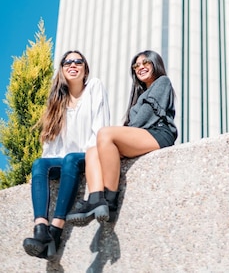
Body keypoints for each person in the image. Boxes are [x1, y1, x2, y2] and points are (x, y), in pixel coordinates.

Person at [66, 49, 177, 225]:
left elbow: (146, 116)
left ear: (155, 64)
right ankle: (96, 199)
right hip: (143, 135)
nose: (140, 67)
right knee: (93, 151)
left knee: (105, 133)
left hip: (159, 134)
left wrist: (122, 134)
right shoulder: (139, 94)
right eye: (136, 65)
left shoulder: (162, 82)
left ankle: (110, 200)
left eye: (145, 63)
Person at [23, 50, 110, 259]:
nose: (73, 65)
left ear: (85, 69)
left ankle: (56, 230)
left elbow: (100, 130)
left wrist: (89, 154)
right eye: (67, 62)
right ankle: (41, 230)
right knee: (39, 164)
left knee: (71, 158)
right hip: (66, 160)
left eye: (78, 61)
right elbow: (51, 145)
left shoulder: (94, 87)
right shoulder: (57, 103)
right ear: (62, 70)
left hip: (91, 155)